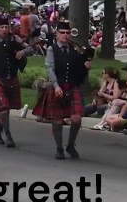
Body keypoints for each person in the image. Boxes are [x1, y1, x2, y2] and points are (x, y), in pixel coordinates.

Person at [33, 21, 93, 159]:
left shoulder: (74, 50)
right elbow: (50, 69)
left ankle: (70, 145)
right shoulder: (52, 49)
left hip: (72, 87)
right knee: (58, 120)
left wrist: (85, 67)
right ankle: (59, 148)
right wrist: (56, 86)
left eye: (67, 33)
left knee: (76, 119)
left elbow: (79, 72)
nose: (65, 35)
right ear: (57, 33)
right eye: (62, 33)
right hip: (58, 86)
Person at [0, 18, 36, 147]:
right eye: (1, 27)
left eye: (6, 27)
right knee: (4, 107)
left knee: (6, 108)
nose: (4, 30)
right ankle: (8, 135)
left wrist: (22, 52)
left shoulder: (14, 39)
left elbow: (30, 49)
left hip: (12, 78)